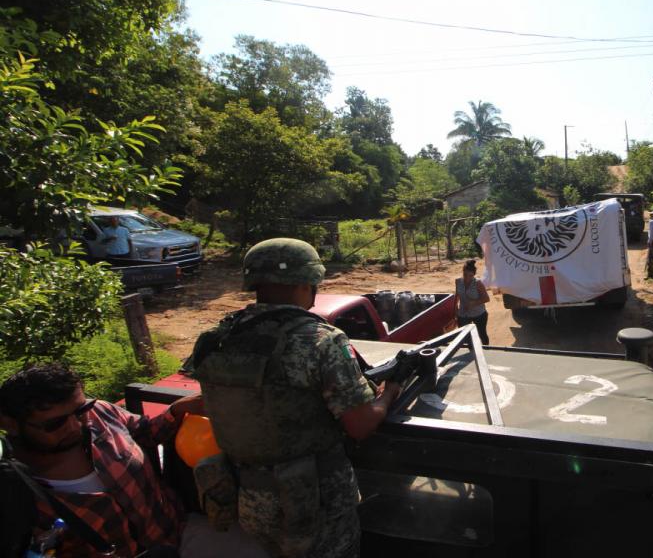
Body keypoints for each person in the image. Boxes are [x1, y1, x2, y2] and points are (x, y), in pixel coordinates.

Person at [186, 238, 401, 558]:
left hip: (250, 498)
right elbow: (359, 425)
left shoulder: (219, 337)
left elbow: (220, 398)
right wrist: (390, 393)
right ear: (305, 283)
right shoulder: (320, 340)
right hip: (316, 500)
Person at [0, 363, 204, 556]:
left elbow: (145, 431)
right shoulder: (14, 489)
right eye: (55, 423)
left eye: (80, 411)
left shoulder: (100, 413)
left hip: (179, 533)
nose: (75, 426)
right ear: (10, 424)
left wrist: (177, 410)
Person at [455, 259, 490, 344]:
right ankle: (470, 353)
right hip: (463, 314)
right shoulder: (458, 281)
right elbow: (457, 296)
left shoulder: (478, 283)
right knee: (464, 336)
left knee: (482, 335)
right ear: (463, 272)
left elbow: (486, 298)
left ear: (474, 275)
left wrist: (473, 303)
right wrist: (455, 311)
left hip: (479, 314)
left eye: (470, 275)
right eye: (465, 274)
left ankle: (487, 351)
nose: (467, 278)